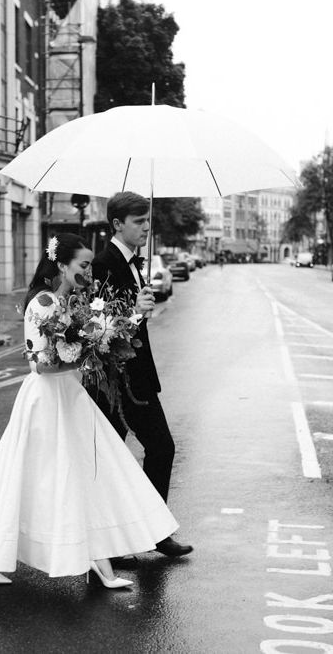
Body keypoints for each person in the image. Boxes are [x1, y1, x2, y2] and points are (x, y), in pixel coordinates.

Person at [0, 232, 180, 587]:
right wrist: (83, 356)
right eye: (84, 265)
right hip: (46, 401)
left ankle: (99, 561)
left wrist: (132, 316)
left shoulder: (73, 304)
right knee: (28, 479)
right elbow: (39, 364)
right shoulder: (41, 304)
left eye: (89, 265)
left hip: (72, 397)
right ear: (61, 265)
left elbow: (102, 337)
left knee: (89, 475)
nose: (89, 272)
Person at [91, 192, 193, 558]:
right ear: (117, 224)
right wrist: (135, 313)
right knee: (123, 458)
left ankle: (152, 531)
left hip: (139, 378)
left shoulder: (135, 263)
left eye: (147, 220)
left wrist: (140, 309)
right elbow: (96, 328)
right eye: (139, 221)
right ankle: (121, 541)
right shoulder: (103, 265)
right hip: (117, 382)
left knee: (156, 449)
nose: (146, 227)